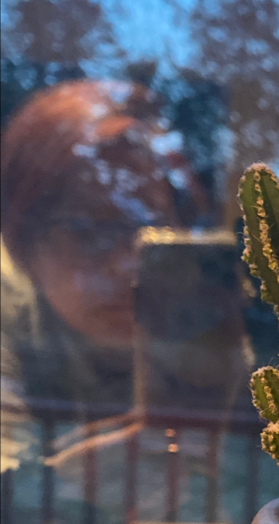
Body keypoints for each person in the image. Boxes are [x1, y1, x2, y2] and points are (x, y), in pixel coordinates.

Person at [0, 80, 199, 416]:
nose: (128, 264)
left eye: (151, 230)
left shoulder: (208, 310)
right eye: (89, 230)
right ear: (23, 242)